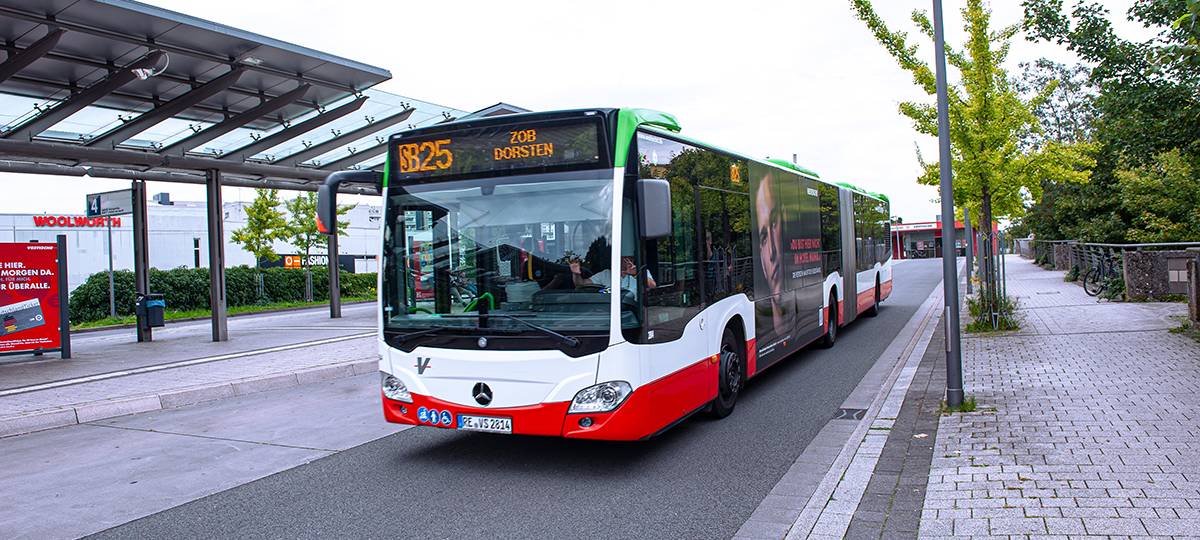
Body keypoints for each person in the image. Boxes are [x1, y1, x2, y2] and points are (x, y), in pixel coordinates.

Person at [570, 256, 655, 297]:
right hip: (608, 311)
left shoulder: (642, 272)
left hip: (633, 312)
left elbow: (652, 286)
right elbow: (581, 285)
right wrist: (576, 274)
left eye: (630, 258)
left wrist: (636, 274)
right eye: (624, 258)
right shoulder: (605, 274)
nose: (627, 261)